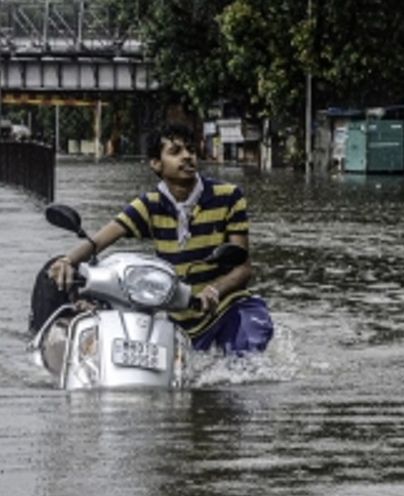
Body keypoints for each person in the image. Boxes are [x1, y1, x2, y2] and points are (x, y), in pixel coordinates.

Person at [44, 122, 274, 355]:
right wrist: (67, 260)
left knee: (246, 352)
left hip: (227, 308)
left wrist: (214, 290)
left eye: (190, 150)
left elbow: (243, 268)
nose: (187, 157)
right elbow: (98, 242)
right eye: (175, 152)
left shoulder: (229, 197)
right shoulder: (149, 204)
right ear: (156, 164)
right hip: (178, 318)